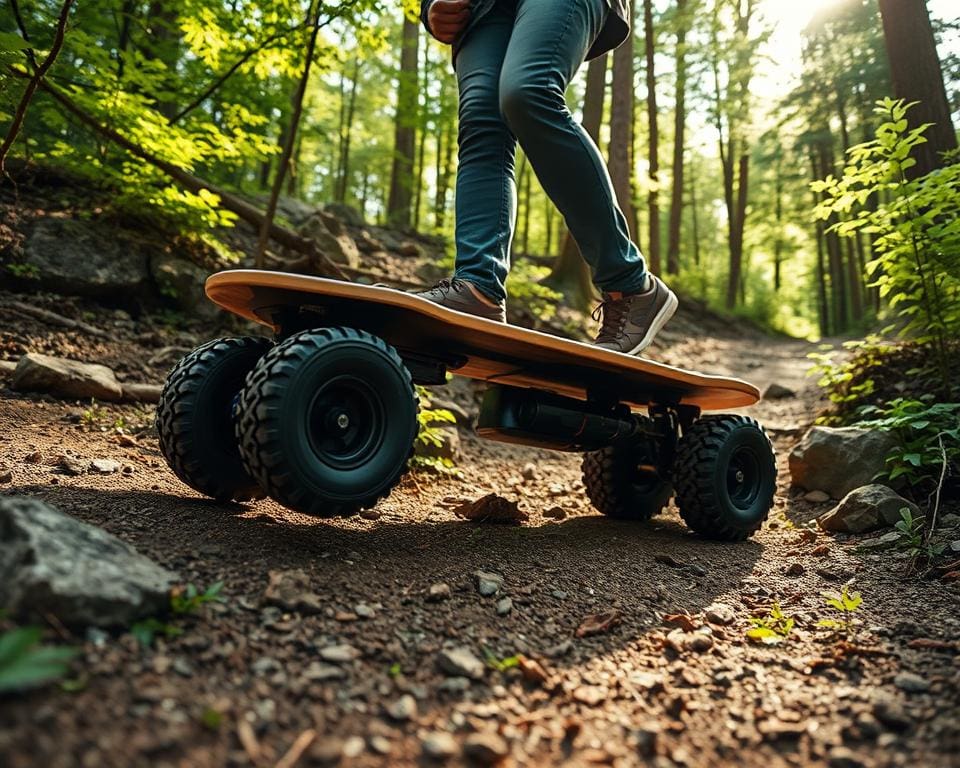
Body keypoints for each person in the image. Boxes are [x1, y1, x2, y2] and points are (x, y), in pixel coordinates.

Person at [416, 0, 677, 355]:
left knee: (528, 90)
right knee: (481, 123)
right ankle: (478, 288)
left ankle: (629, 285)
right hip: (479, 9)